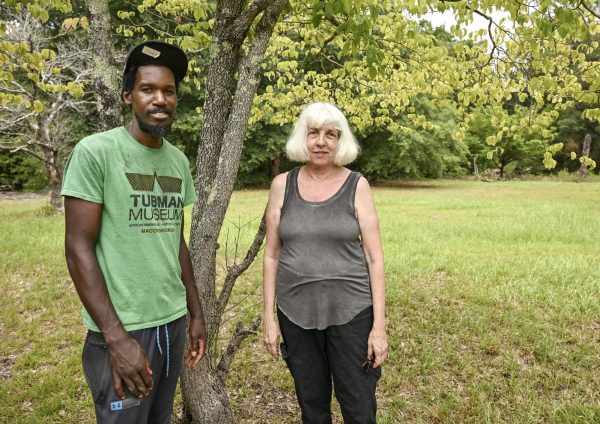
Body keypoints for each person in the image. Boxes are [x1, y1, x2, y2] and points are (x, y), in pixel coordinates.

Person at [62, 41, 207, 423]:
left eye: (169, 90)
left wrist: (195, 312)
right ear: (128, 95)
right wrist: (116, 338)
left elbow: (175, 240)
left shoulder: (177, 161)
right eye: (148, 89)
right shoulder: (96, 153)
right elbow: (78, 249)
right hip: (123, 327)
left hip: (171, 324)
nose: (160, 99)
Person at [263, 102, 388, 424]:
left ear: (340, 141)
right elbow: (272, 254)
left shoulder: (357, 185)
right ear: (302, 139)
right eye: (314, 133)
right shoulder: (282, 186)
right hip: (295, 313)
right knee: (312, 406)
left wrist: (379, 327)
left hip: (352, 313)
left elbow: (375, 258)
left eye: (331, 135)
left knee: (358, 406)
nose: (321, 142)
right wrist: (268, 319)